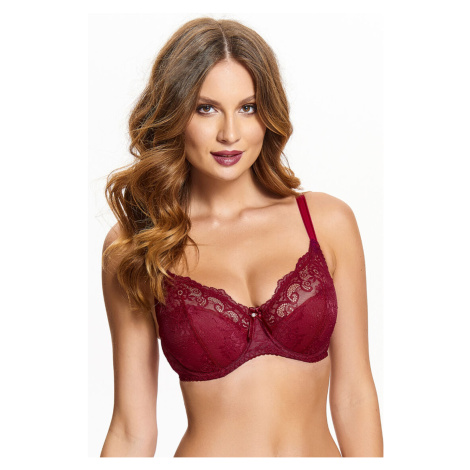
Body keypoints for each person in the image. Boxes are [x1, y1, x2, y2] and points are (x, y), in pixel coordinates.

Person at [99, 16, 383, 458]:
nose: (229, 133)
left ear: (268, 114)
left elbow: (355, 397)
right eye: (206, 108)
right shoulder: (139, 245)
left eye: (247, 108)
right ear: (175, 114)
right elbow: (132, 429)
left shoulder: (327, 223)